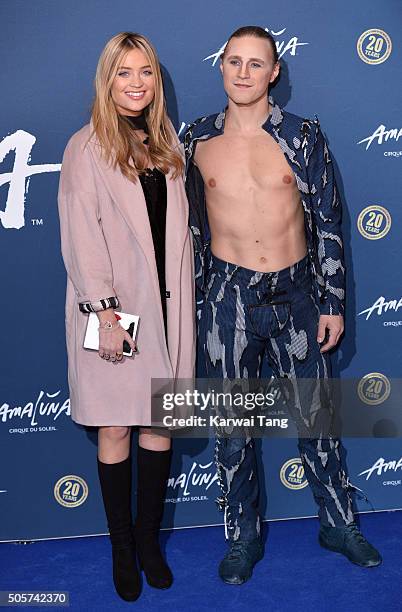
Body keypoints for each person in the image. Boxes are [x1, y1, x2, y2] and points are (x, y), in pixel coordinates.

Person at [183, 25, 381, 585]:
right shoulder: (193, 139)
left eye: (256, 64)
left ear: (274, 72)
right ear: (220, 66)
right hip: (227, 300)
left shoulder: (303, 136)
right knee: (232, 425)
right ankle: (242, 537)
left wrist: (333, 300)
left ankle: (338, 524)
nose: (243, 72)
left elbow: (329, 221)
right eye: (233, 61)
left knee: (317, 415)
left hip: (296, 296)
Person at [58, 32, 195, 601]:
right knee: (115, 425)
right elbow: (81, 235)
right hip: (116, 310)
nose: (136, 83)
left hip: (169, 307)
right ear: (106, 80)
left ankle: (148, 542)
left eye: (145, 72)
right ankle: (121, 547)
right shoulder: (85, 146)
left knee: (158, 422)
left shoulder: (167, 143)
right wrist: (105, 313)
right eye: (124, 73)